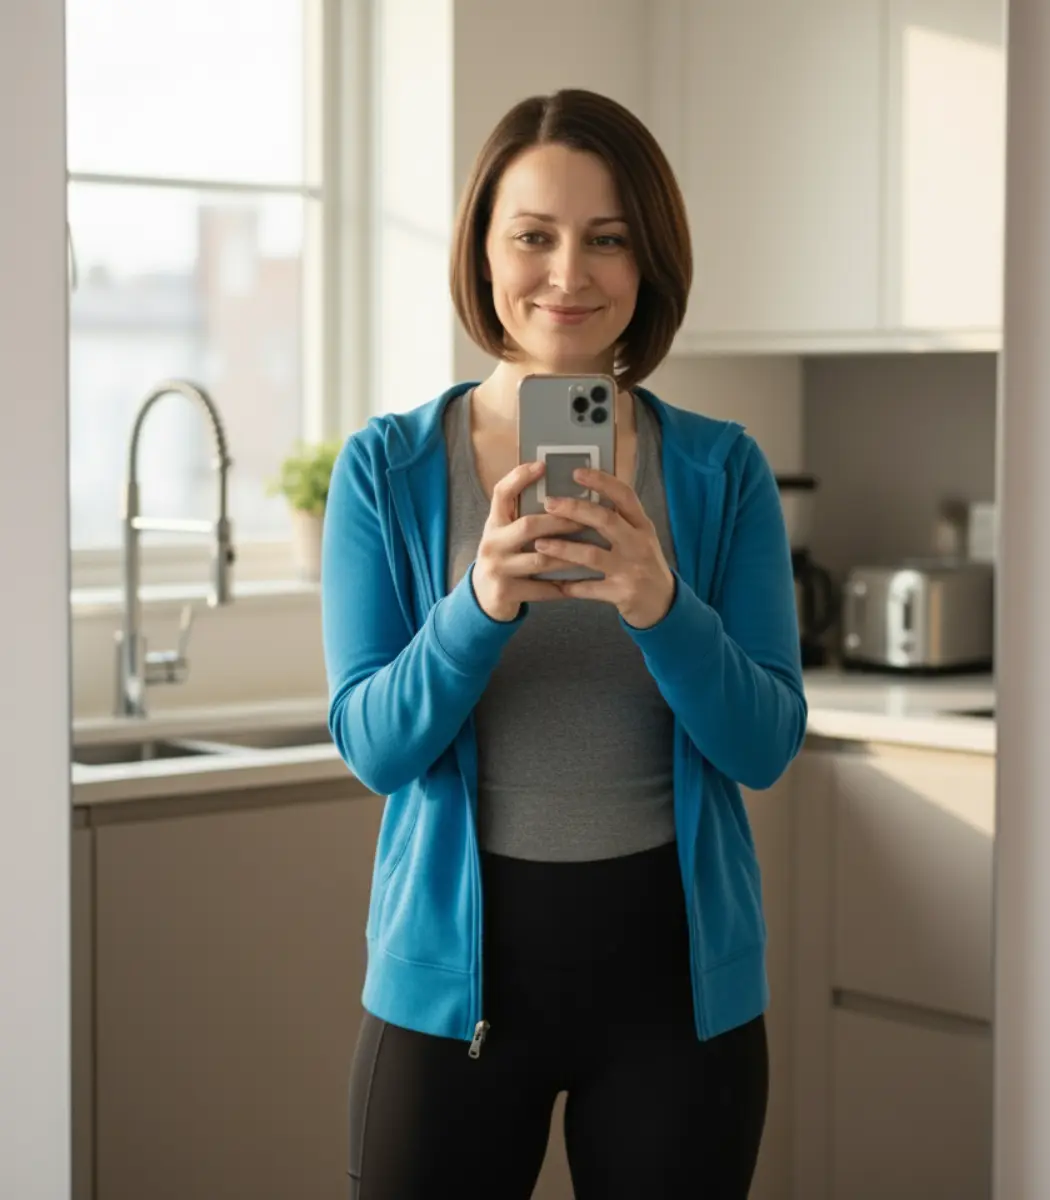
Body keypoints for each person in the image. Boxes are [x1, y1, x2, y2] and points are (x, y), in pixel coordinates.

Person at [321, 87, 807, 1200]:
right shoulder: (388, 470)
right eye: (532, 236)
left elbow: (766, 743)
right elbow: (372, 745)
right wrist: (479, 604)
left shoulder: (720, 470)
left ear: (650, 264)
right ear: (483, 253)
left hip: (680, 1003)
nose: (568, 274)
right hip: (454, 996)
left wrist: (658, 605)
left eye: (608, 239)